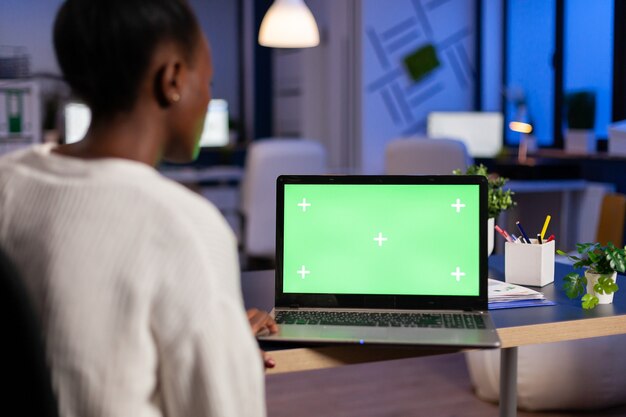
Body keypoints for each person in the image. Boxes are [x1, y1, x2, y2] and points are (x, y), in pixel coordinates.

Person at [0, 0, 277, 416]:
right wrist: (234, 366)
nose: (207, 99)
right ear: (172, 79)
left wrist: (225, 338)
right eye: (209, 82)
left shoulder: (8, 180)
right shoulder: (186, 226)